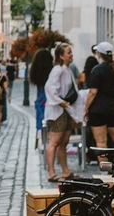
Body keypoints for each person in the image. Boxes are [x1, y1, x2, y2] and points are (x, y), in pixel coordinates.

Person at [43, 43, 78, 181]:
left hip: (65, 110)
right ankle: (51, 173)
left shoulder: (67, 70)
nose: (71, 54)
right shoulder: (57, 70)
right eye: (69, 52)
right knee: (54, 142)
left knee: (64, 141)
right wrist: (60, 101)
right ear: (61, 56)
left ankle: (66, 171)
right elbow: (50, 87)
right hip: (57, 111)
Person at [30, 48, 55, 137]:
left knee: (43, 126)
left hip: (40, 101)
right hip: (50, 101)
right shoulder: (52, 72)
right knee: (52, 127)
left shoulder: (36, 72)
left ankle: (44, 146)